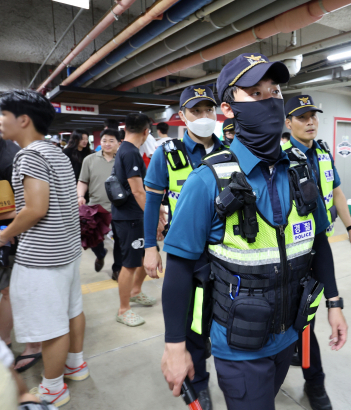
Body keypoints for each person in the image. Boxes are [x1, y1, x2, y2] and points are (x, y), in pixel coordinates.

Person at [160, 53, 347, 410]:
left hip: (289, 334)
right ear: (229, 109)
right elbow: (180, 267)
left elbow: (318, 242)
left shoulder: (301, 171)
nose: (271, 100)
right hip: (238, 346)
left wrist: (334, 303)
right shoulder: (208, 180)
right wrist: (174, 345)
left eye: (274, 90)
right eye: (256, 93)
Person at [0, 90, 87, 407]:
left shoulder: (29, 155)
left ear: (23, 119)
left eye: (2, 115)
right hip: (67, 250)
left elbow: (35, 208)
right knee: (72, 311)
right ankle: (76, 365)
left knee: (51, 325)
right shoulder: (57, 152)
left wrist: (1, 237)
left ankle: (53, 388)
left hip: (42, 257)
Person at [143, 85, 225, 409]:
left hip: (223, 253)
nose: (205, 117)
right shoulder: (168, 153)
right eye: (196, 111)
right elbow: (152, 204)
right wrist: (151, 247)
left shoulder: (229, 151)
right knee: (192, 326)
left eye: (209, 110)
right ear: (182, 116)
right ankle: (200, 383)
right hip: (187, 258)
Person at [283, 94, 351, 410]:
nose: (311, 121)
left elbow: (339, 192)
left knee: (307, 321)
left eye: (313, 115)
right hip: (289, 253)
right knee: (292, 321)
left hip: (318, 244)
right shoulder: (279, 158)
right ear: (288, 123)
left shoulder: (325, 154)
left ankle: (315, 384)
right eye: (302, 117)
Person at [0, 127, 44, 374]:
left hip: (9, 237)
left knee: (13, 291)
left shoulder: (12, 156)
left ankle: (25, 343)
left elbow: (30, 206)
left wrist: (2, 235)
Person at [111, 113, 157, 327]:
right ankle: (123, 309)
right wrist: (153, 217)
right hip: (129, 217)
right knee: (129, 265)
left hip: (134, 215)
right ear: (146, 131)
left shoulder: (127, 150)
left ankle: (136, 291)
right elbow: (138, 192)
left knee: (142, 258)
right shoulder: (130, 153)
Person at [77, 128, 122, 279]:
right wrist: (81, 195)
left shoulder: (123, 160)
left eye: (111, 141)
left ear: (118, 143)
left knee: (120, 241)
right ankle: (100, 254)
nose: (107, 144)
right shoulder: (89, 160)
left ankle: (117, 268)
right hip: (95, 208)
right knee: (93, 239)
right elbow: (83, 181)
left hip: (119, 208)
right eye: (104, 141)